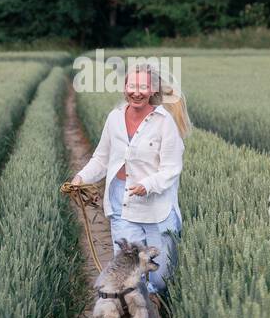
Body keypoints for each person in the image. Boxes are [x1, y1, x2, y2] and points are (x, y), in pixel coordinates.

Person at [70, 62, 189, 295]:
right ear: (124, 87)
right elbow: (101, 158)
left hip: (157, 209)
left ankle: (158, 304)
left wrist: (147, 185)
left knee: (163, 279)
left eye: (143, 87)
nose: (136, 92)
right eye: (131, 86)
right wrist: (81, 177)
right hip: (121, 204)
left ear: (153, 89)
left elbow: (171, 168)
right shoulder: (114, 118)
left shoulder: (164, 123)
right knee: (129, 277)